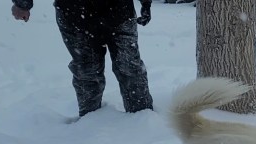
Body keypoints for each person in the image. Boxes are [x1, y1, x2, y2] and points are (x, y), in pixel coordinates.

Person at [11, 0, 155, 118]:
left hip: (119, 11)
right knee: (88, 72)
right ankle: (90, 128)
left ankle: (142, 120)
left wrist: (146, 3)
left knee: (129, 66)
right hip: (74, 15)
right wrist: (22, 4)